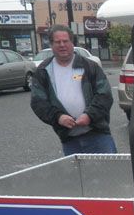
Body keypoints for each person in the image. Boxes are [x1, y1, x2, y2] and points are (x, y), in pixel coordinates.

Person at [30, 25, 116, 155]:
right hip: (69, 139)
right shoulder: (43, 71)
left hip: (97, 135)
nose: (62, 45)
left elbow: (105, 95)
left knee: (108, 173)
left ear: (72, 43)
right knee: (78, 175)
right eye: (57, 42)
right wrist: (58, 117)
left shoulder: (90, 66)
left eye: (65, 41)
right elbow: (38, 102)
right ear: (51, 44)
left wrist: (89, 116)